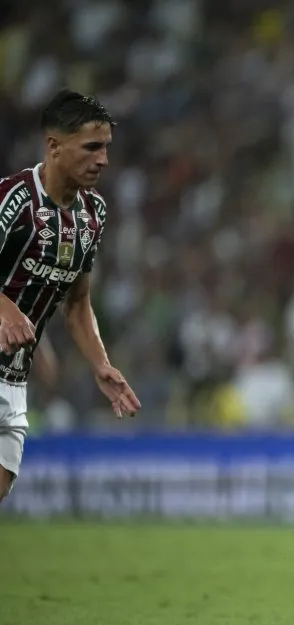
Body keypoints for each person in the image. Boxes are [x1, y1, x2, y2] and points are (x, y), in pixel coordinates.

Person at [0, 89, 142, 504]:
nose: (103, 159)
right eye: (92, 147)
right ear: (54, 146)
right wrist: (5, 306)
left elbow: (77, 303)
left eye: (106, 148)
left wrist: (100, 364)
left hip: (14, 378)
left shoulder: (93, 214)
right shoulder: (13, 199)